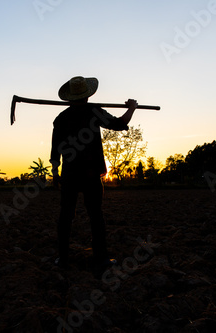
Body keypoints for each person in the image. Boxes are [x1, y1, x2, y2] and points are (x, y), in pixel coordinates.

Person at [50, 76, 138, 271]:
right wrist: (132, 108)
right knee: (96, 216)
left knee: (65, 217)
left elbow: (55, 150)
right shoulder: (93, 112)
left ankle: (63, 260)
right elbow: (119, 124)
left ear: (70, 97)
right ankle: (101, 260)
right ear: (87, 96)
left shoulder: (61, 118)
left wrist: (55, 173)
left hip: (70, 176)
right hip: (91, 175)